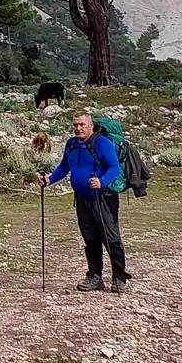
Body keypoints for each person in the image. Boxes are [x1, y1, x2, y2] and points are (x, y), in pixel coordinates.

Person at [42, 109, 129, 293]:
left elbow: (114, 167)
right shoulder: (72, 144)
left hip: (103, 198)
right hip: (82, 199)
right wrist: (49, 179)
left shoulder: (102, 143)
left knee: (110, 238)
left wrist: (101, 181)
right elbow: (64, 166)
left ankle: (119, 278)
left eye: (82, 124)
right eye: (75, 125)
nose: (78, 128)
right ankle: (95, 277)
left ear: (91, 125)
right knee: (90, 238)